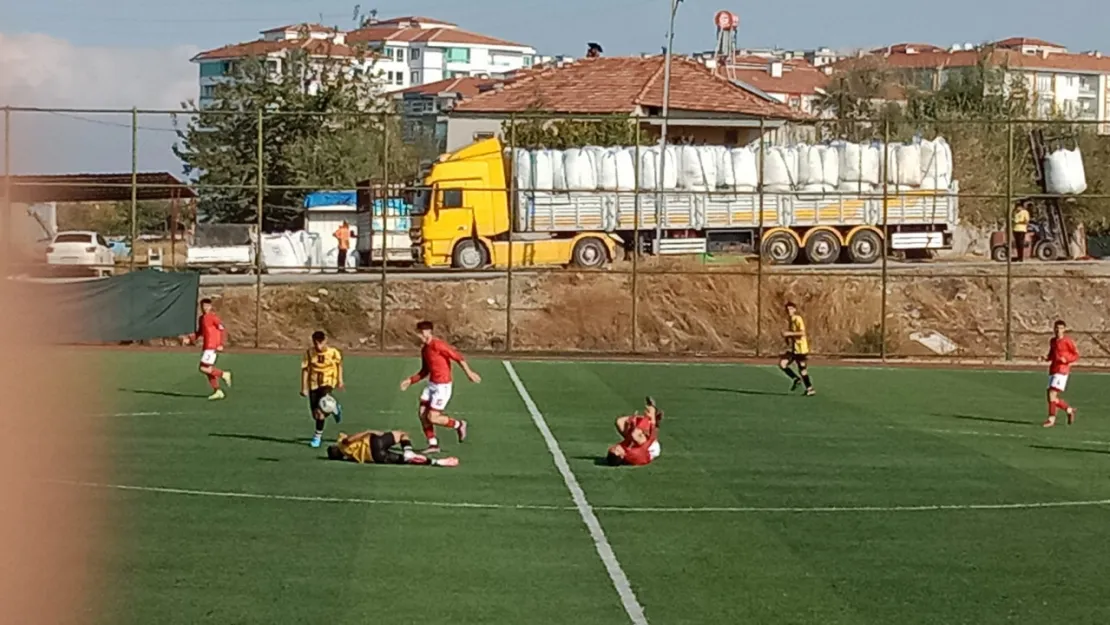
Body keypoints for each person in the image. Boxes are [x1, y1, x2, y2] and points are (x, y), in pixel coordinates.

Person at [399, 321, 481, 453]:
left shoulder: (438, 345)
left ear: (427, 332)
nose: (418, 335)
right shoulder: (425, 350)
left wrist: (469, 373)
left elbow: (458, 357)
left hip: (442, 387)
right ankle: (433, 444)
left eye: (420, 333)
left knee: (433, 417)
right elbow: (425, 371)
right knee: (422, 414)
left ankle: (459, 424)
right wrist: (410, 380)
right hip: (432, 385)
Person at [301, 330, 344, 448]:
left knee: (321, 411)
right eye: (316, 343)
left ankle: (317, 437)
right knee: (315, 414)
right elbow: (305, 370)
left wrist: (340, 380)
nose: (318, 346)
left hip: (328, 382)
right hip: (313, 384)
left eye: (321, 343)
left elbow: (339, 365)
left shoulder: (333, 353)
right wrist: (304, 387)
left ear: (325, 341)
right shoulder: (309, 353)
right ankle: (334, 408)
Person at [327, 430, 458, 467]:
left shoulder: (347, 457)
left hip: (375, 457)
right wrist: (369, 431)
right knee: (402, 434)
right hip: (373, 442)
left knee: (406, 461)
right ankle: (408, 451)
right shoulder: (342, 443)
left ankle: (436, 462)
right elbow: (349, 439)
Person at [192, 298, 232, 400]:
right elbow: (200, 331)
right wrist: (191, 338)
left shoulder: (212, 317)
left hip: (212, 346)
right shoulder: (202, 318)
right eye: (203, 306)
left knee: (203, 368)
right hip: (206, 347)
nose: (205, 308)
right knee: (208, 369)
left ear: (210, 307)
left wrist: (220, 344)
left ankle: (223, 374)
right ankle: (218, 391)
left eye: (206, 306)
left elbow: (221, 328)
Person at [606, 397, 663, 466]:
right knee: (635, 434)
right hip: (651, 447)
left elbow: (631, 440)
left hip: (638, 443)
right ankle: (652, 413)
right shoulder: (633, 453)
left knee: (619, 422)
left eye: (614, 448)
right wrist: (651, 422)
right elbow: (649, 441)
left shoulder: (623, 450)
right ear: (622, 455)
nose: (617, 447)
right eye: (617, 450)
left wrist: (632, 422)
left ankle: (642, 418)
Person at [1044, 319, 1079, 428]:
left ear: (1064, 329)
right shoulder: (1053, 341)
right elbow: (1051, 354)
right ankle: (1068, 409)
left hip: (1062, 370)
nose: (1058, 330)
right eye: (1056, 328)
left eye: (1060, 328)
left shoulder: (1067, 341)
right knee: (1051, 397)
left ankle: (1051, 419)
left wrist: (1067, 360)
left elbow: (1076, 355)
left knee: (1052, 394)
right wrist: (1046, 358)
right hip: (1053, 369)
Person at [779, 301, 815, 396]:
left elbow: (802, 333)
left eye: (791, 309)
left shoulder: (798, 319)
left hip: (801, 349)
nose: (789, 311)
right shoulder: (791, 320)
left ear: (794, 310)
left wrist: (789, 334)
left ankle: (810, 388)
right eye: (787, 310)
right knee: (783, 364)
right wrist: (787, 338)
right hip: (794, 349)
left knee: (802, 370)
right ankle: (796, 379)